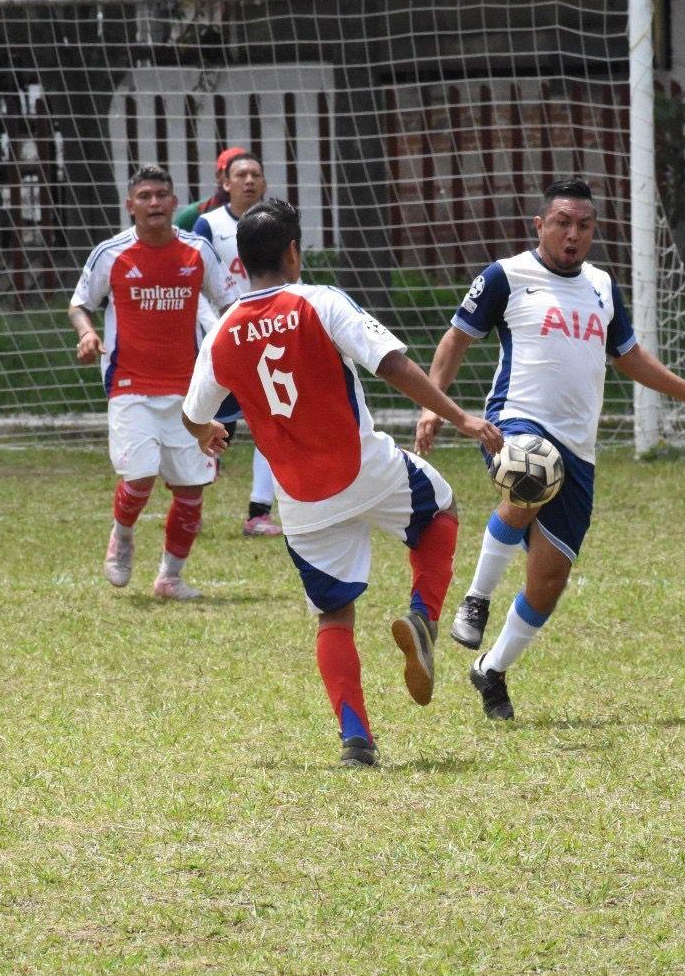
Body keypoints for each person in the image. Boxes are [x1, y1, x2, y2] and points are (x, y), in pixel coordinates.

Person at [181, 197, 502, 767]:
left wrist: (207, 431)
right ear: (293, 253)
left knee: (334, 617)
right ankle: (423, 616)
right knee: (442, 511)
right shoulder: (320, 302)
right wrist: (460, 418)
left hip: (301, 500)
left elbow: (192, 412)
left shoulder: (223, 333)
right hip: (365, 470)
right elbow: (392, 364)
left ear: (241, 264)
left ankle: (356, 740)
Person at [413, 178, 685, 721]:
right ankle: (476, 599)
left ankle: (490, 670)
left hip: (580, 448)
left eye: (584, 225)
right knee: (530, 473)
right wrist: (434, 404)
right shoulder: (507, 275)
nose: (573, 234)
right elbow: (456, 339)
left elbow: (631, 357)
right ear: (539, 225)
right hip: (513, 421)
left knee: (549, 580)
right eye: (562, 223)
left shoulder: (600, 286)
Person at [68, 164, 239, 600]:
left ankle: (169, 578)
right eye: (145, 196)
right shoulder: (112, 253)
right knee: (140, 475)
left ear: (174, 203)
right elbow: (79, 304)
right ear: (131, 206)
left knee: (191, 487)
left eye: (162, 195)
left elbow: (230, 303)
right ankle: (121, 536)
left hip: (188, 390)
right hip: (131, 385)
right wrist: (87, 333)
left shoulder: (197, 251)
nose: (155, 203)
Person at [192, 150, 282, 537]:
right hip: (223, 342)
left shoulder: (278, 222)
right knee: (211, 423)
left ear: (264, 183)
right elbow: (192, 284)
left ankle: (258, 512)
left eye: (255, 174)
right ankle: (189, 503)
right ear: (225, 183)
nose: (249, 180)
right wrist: (218, 328)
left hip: (269, 342)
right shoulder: (208, 225)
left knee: (272, 421)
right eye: (240, 174)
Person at [174, 146, 246, 232]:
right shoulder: (195, 214)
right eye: (231, 171)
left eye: (252, 174)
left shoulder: (263, 215)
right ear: (218, 176)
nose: (246, 179)